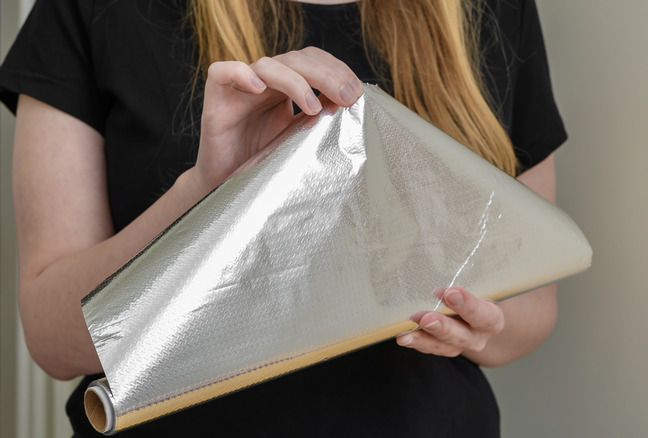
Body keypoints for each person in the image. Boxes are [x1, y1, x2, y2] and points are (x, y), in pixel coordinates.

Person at [0, 0, 566, 436]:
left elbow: (535, 306)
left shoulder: (488, 9)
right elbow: (53, 339)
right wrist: (206, 195)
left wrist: (474, 325)